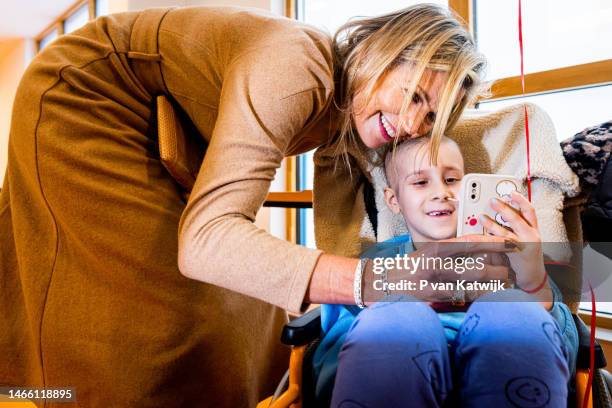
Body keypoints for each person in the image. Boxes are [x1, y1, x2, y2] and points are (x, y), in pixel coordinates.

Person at [0, 4, 512, 407]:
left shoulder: (353, 110)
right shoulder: (296, 67)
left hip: (165, 132)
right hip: (85, 96)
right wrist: (379, 282)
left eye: (429, 118)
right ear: (387, 52)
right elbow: (205, 244)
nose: (410, 123)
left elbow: (346, 229)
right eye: (416, 95)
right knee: (153, 333)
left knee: (251, 315)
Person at [313, 136, 579, 407]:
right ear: (394, 200)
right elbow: (336, 344)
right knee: (395, 319)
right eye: (420, 182)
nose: (442, 192)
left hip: (501, 378)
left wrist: (533, 280)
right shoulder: (375, 263)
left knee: (513, 312)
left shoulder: (516, 256)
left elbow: (563, 347)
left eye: (452, 180)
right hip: (400, 375)